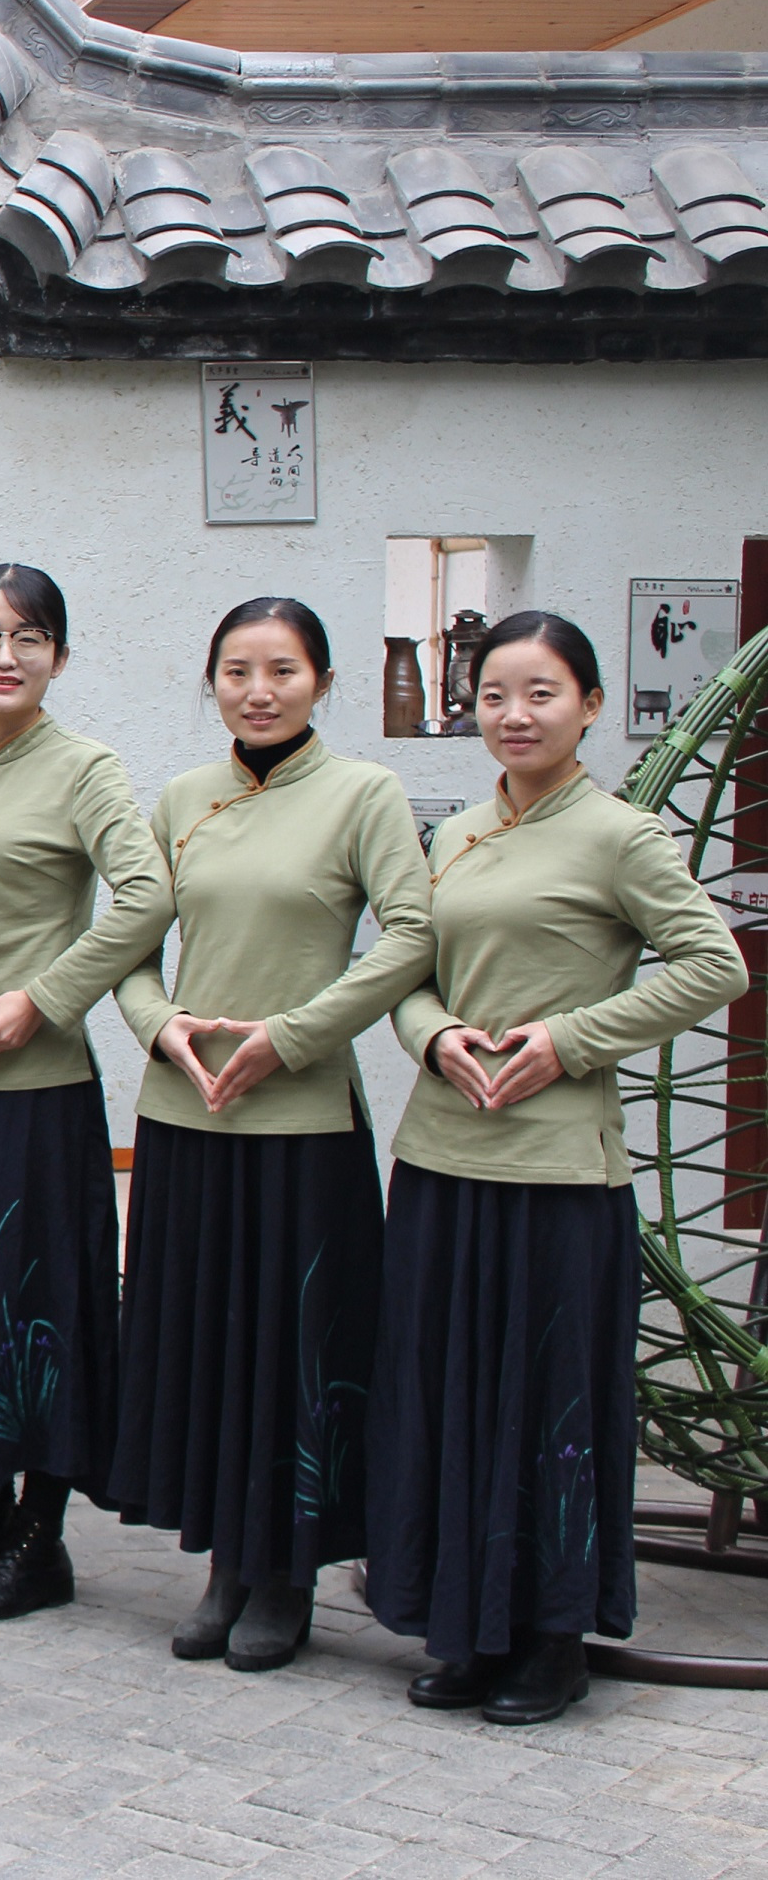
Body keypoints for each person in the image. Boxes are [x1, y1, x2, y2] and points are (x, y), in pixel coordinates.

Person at [368, 610, 745, 1726]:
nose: (514, 715)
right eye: (492, 694)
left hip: (559, 1177)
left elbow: (712, 965)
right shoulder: (456, 836)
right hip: (440, 1160)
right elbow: (409, 969)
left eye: (540, 693)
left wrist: (568, 1041)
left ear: (586, 705)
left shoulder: (621, 836)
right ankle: (463, 1622)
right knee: (448, 1398)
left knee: (546, 1407)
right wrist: (433, 1036)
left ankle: (547, 1638)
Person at [104, 598, 434, 1671]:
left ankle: (286, 1570)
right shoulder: (183, 798)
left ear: (321, 681)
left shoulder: (363, 794)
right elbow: (132, 942)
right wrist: (163, 1030)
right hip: (189, 1113)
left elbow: (410, 938)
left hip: (300, 1119)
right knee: (208, 1343)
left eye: (281, 669)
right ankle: (223, 1562)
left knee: (293, 1350)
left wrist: (293, 1037)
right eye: (237, 670)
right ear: (213, 684)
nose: (258, 689)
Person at [0, 563, 170, 1621]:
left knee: (34, 1303)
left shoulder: (84, 768)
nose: (4, 655)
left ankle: (41, 1531)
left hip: (37, 1080)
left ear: (58, 654)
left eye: (29, 636)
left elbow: (143, 897)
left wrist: (43, 1000)